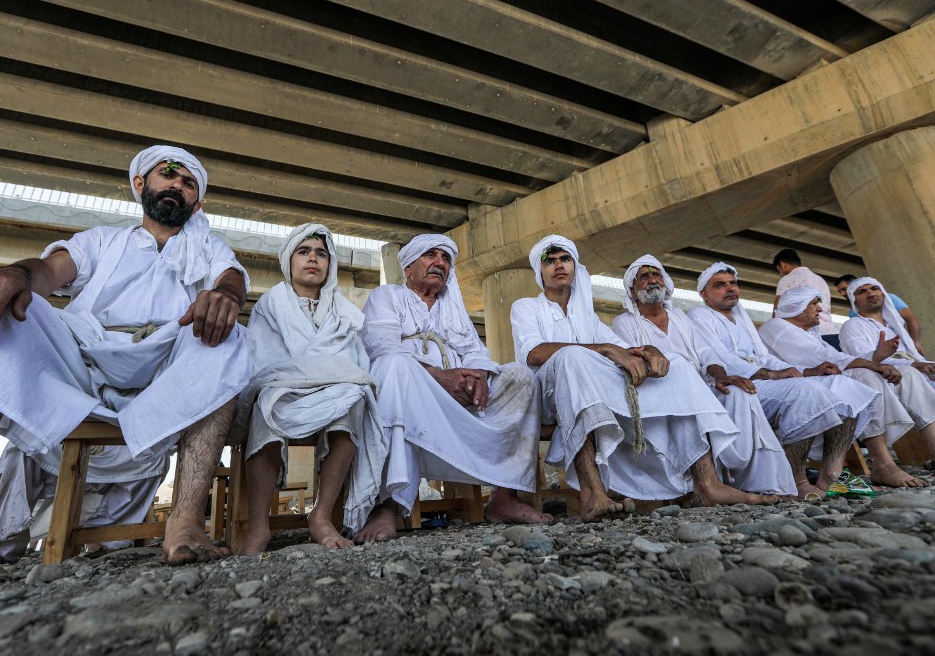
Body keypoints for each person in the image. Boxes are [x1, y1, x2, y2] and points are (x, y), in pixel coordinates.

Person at [0, 145, 253, 588]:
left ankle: (185, 521)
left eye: (188, 183)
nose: (176, 185)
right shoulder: (102, 240)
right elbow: (49, 271)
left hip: (165, 368)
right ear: (140, 185)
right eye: (167, 175)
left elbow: (232, 278)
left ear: (197, 202)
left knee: (226, 338)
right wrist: (16, 273)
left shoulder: (208, 248)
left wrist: (224, 296)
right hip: (84, 361)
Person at [511, 237, 779, 522]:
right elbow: (534, 353)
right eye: (549, 261)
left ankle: (707, 484)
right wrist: (607, 350)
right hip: (550, 397)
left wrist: (648, 351)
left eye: (564, 259)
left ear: (575, 267)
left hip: (590, 391)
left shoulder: (586, 317)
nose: (558, 266)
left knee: (680, 365)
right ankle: (592, 492)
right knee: (571, 358)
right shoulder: (526, 307)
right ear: (540, 272)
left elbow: (623, 350)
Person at [354, 234, 550, 542]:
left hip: (459, 396)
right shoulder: (387, 296)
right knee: (393, 366)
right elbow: (380, 346)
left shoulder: (453, 307)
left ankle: (504, 497)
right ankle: (386, 506)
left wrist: (479, 378)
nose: (440, 262)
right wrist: (439, 376)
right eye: (430, 255)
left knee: (521, 377)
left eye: (445, 258)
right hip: (414, 390)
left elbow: (475, 351)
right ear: (408, 268)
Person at [234, 223, 385, 555]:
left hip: (332, 385)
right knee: (265, 402)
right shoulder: (271, 303)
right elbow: (264, 361)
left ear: (330, 264)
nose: (312, 259)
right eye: (304, 251)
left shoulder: (342, 310)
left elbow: (353, 360)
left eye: (321, 253)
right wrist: (312, 372)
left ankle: (321, 515)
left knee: (355, 397)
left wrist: (330, 374)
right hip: (284, 385)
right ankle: (259, 526)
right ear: (289, 259)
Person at [611, 255, 796, 497]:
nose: (652, 280)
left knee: (740, 393)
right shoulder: (623, 323)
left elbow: (706, 354)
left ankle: (754, 480)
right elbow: (634, 364)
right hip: (657, 394)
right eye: (644, 277)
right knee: (680, 367)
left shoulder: (679, 316)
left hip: (698, 388)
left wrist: (720, 376)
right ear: (633, 292)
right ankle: (709, 483)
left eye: (656, 275)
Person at [689, 263, 877, 500]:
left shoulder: (741, 316)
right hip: (733, 386)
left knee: (846, 387)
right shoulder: (699, 315)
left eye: (732, 283)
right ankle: (796, 480)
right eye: (720, 285)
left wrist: (806, 371)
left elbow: (764, 358)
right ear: (704, 294)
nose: (730, 288)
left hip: (762, 382)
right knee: (806, 392)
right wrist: (770, 374)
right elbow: (717, 359)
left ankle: (832, 473)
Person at [760, 287, 931, 487]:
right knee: (861, 379)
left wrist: (876, 359)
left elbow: (834, 361)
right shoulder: (776, 327)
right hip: (787, 387)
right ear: (797, 307)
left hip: (818, 382)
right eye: (813, 303)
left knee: (874, 377)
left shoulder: (809, 333)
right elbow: (825, 358)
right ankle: (879, 464)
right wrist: (874, 364)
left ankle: (841, 472)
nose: (820, 309)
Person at [0, 444, 170, 565]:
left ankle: (102, 541)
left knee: (155, 455)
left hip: (116, 443)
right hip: (62, 435)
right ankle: (0, 546)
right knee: (21, 448)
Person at [840, 277, 935, 399]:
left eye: (875, 288)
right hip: (893, 378)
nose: (871, 293)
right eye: (862, 291)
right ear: (854, 301)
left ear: (883, 294)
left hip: (919, 370)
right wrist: (914, 364)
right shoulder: (853, 325)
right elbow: (862, 361)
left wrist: (924, 364)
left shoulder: (894, 326)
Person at [835, 273, 923, 356]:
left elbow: (910, 318)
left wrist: (915, 342)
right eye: (862, 292)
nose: (843, 293)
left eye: (844, 289)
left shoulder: (891, 299)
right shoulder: (853, 319)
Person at [772, 249, 839, 346]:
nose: (781, 274)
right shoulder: (820, 279)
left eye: (779, 270)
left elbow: (778, 308)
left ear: (782, 264)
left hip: (809, 336)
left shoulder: (787, 279)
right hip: (832, 333)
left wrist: (774, 332)